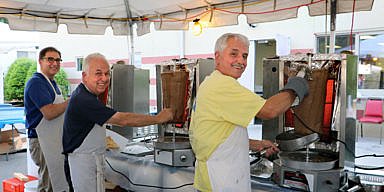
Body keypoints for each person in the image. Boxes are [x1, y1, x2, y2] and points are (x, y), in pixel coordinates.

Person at [189, 33, 309, 192]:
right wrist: (297, 85)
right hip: (220, 181)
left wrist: (256, 144)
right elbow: (270, 110)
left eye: (244, 56)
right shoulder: (222, 85)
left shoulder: (211, 82)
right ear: (217, 57)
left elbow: (217, 134)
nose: (241, 61)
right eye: (234, 54)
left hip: (216, 177)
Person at [62, 53, 173, 192]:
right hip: (83, 163)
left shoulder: (87, 94)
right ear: (85, 76)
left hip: (91, 159)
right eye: (98, 74)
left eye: (107, 74)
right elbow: (123, 120)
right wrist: (158, 118)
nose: (104, 78)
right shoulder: (83, 99)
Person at [24, 47, 70, 192]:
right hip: (41, 141)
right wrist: (71, 101)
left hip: (52, 140)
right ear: (40, 61)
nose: (54, 63)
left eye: (57, 60)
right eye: (50, 59)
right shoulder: (37, 82)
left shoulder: (52, 83)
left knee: (54, 181)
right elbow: (49, 112)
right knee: (48, 184)